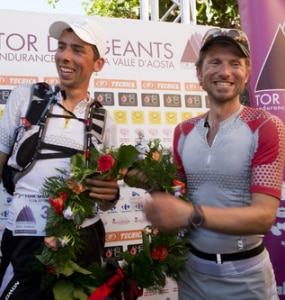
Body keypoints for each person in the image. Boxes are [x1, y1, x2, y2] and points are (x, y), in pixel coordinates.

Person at [141, 28, 285, 299]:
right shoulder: (183, 131)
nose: (225, 72)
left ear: (248, 71)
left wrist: (191, 214)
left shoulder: (266, 126)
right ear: (199, 72)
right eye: (215, 62)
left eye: (235, 64)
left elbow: (264, 217)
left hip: (245, 279)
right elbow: (177, 194)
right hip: (191, 275)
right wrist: (145, 181)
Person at [0, 17, 120, 300]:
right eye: (62, 47)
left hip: (83, 241)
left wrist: (110, 194)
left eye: (78, 50)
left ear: (98, 64)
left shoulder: (104, 119)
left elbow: (105, 196)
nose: (65, 56)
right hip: (24, 238)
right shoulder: (25, 97)